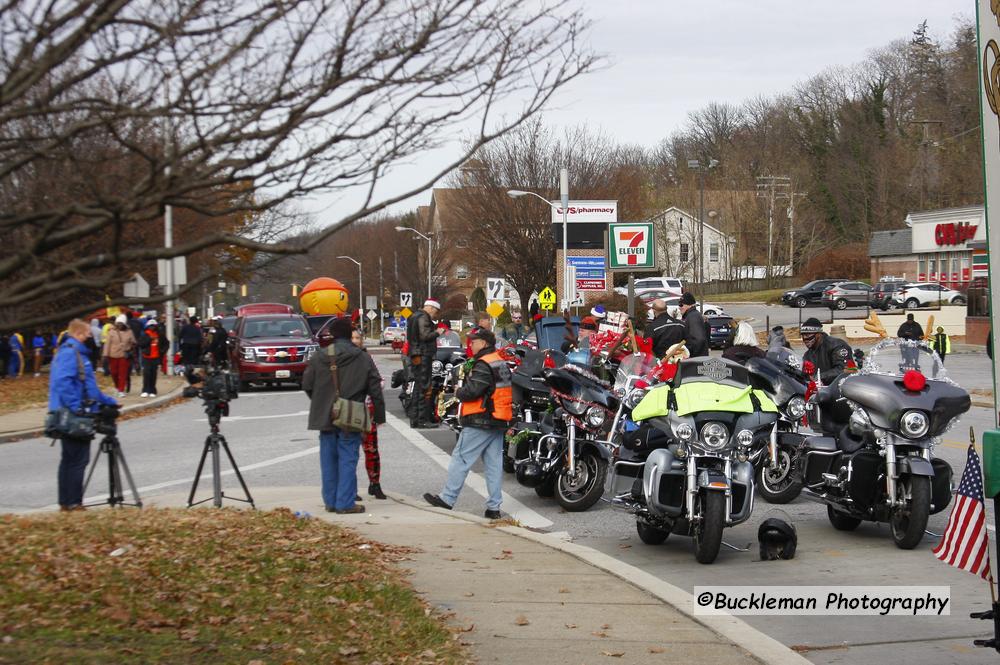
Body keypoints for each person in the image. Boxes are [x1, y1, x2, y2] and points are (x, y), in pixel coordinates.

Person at [424, 328, 510, 519]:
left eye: (474, 341)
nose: (470, 344)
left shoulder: (483, 364)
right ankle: (494, 508)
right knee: (494, 465)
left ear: (484, 343)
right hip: (498, 418)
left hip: (480, 419)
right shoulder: (499, 361)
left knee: (460, 459)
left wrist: (458, 391)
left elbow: (473, 391)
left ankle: (447, 499)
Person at [303, 316, 385, 514]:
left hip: (325, 415)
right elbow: (375, 387)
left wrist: (321, 400)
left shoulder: (320, 356)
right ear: (349, 335)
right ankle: (345, 502)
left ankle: (330, 501)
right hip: (351, 414)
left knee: (328, 459)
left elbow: (307, 384)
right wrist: (379, 416)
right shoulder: (362, 357)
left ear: (332, 335)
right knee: (348, 457)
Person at [48, 319, 119, 511]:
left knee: (70, 459)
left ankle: (67, 501)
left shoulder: (71, 353)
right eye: (88, 334)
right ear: (79, 333)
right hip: (73, 416)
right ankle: (73, 502)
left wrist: (107, 401)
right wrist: (77, 407)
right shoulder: (73, 354)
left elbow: (89, 387)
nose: (91, 337)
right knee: (77, 460)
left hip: (71, 412)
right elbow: (64, 383)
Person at [351, 328, 387, 500]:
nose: (355, 341)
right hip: (349, 409)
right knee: (350, 451)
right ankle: (351, 488)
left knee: (371, 449)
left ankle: (375, 483)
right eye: (352, 337)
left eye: (358, 338)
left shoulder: (367, 358)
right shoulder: (342, 358)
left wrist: (372, 388)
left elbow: (380, 381)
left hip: (367, 409)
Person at [406, 299, 443, 428]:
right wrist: (437, 332)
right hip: (423, 354)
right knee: (424, 386)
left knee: (418, 387)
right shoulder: (423, 317)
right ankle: (422, 419)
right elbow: (425, 335)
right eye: (436, 312)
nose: (435, 315)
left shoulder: (413, 316)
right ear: (432, 308)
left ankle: (415, 419)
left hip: (416, 354)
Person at [800, 317, 852, 384]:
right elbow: (804, 374)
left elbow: (845, 369)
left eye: (808, 334)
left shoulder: (837, 345)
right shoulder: (808, 354)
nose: (805, 338)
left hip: (839, 388)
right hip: (820, 390)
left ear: (819, 334)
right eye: (803, 335)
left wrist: (819, 377)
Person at [103, 315, 136, 397]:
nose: (119, 325)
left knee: (123, 373)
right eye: (118, 323)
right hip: (113, 355)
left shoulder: (129, 332)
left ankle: (121, 390)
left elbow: (134, 342)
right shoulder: (111, 332)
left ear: (124, 324)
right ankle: (117, 387)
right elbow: (107, 344)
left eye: (121, 323)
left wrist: (130, 345)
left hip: (124, 355)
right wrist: (105, 355)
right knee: (114, 372)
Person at [678, 292, 708, 357]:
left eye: (681, 305)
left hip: (696, 360)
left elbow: (699, 339)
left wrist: (688, 353)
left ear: (690, 305)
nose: (679, 307)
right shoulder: (691, 315)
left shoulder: (693, 317)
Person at [137, 319, 161, 397]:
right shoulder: (145, 334)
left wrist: (162, 351)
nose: (152, 328)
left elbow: (165, 343)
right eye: (150, 326)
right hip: (147, 357)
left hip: (156, 357)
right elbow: (140, 344)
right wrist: (149, 339)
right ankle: (145, 390)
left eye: (153, 326)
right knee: (146, 373)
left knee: (153, 374)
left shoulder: (159, 334)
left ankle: (152, 390)